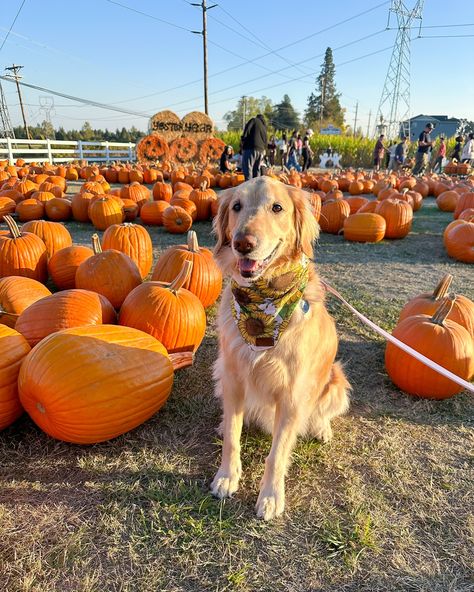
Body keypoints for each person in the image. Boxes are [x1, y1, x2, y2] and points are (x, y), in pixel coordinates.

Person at [241, 114, 267, 180]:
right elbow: (265, 140)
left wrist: (243, 140)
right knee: (256, 169)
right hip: (261, 150)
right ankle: (256, 187)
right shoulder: (264, 127)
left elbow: (247, 130)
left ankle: (249, 186)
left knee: (248, 168)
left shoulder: (254, 120)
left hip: (251, 147)